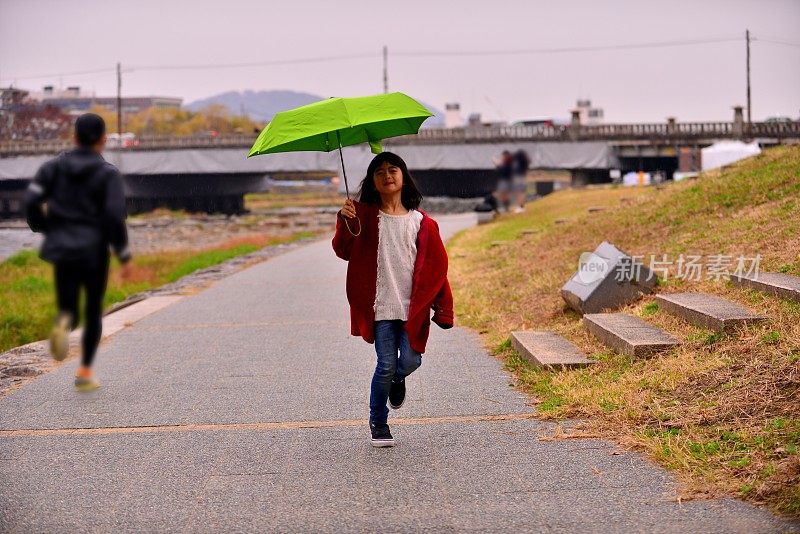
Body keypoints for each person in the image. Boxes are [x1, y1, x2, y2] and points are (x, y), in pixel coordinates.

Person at [332, 152, 454, 447]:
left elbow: (438, 270)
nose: (387, 175)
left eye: (393, 169)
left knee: (411, 360)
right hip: (380, 306)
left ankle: (397, 380)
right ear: (372, 182)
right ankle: (378, 421)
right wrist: (344, 219)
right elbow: (342, 250)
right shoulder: (362, 217)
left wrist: (444, 309)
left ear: (403, 177)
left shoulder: (423, 223)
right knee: (385, 363)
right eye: (379, 172)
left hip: (412, 308)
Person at [25, 113, 132, 391]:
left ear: (74, 137)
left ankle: (63, 322)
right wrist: (123, 254)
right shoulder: (108, 174)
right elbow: (114, 216)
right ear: (102, 139)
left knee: (67, 305)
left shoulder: (51, 169)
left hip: (61, 247)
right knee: (94, 309)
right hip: (95, 249)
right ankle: (84, 371)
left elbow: (32, 202)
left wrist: (43, 227)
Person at [511, 149, 531, 213]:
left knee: (519, 193)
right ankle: (522, 207)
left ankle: (520, 207)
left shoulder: (518, 164)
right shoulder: (525, 163)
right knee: (522, 193)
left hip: (518, 179)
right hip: (523, 179)